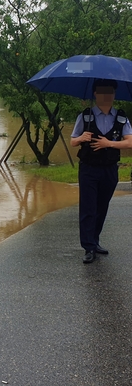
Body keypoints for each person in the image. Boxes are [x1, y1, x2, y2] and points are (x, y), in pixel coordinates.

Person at [70, 79, 132, 264]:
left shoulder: (121, 118)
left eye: (110, 91)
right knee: (88, 208)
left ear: (114, 94)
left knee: (101, 207)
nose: (106, 95)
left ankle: (95, 240)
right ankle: (88, 247)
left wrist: (109, 143)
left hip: (109, 169)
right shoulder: (85, 116)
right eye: (102, 91)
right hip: (89, 169)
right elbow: (73, 141)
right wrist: (82, 137)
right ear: (95, 93)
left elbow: (129, 142)